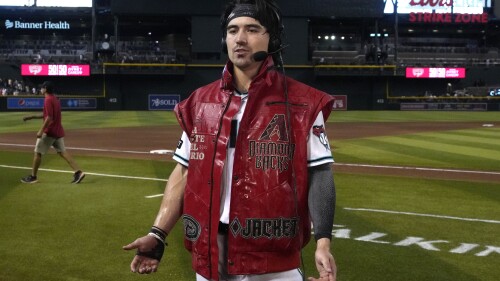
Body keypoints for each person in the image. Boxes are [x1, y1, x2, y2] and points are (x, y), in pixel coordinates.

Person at [123, 0, 337, 280]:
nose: (240, 38)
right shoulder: (199, 103)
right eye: (232, 30)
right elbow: (185, 169)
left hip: (274, 260)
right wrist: (158, 233)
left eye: (252, 29)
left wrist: (323, 242)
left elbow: (320, 174)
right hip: (211, 253)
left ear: (273, 37)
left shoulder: (303, 103)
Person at [21, 81, 85, 184]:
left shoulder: (48, 100)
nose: (41, 89)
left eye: (42, 87)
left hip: (50, 132)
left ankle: (33, 177)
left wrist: (41, 130)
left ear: (45, 89)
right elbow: (47, 115)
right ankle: (78, 172)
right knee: (63, 152)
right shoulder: (55, 99)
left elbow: (49, 118)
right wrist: (31, 117)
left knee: (37, 153)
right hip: (57, 131)